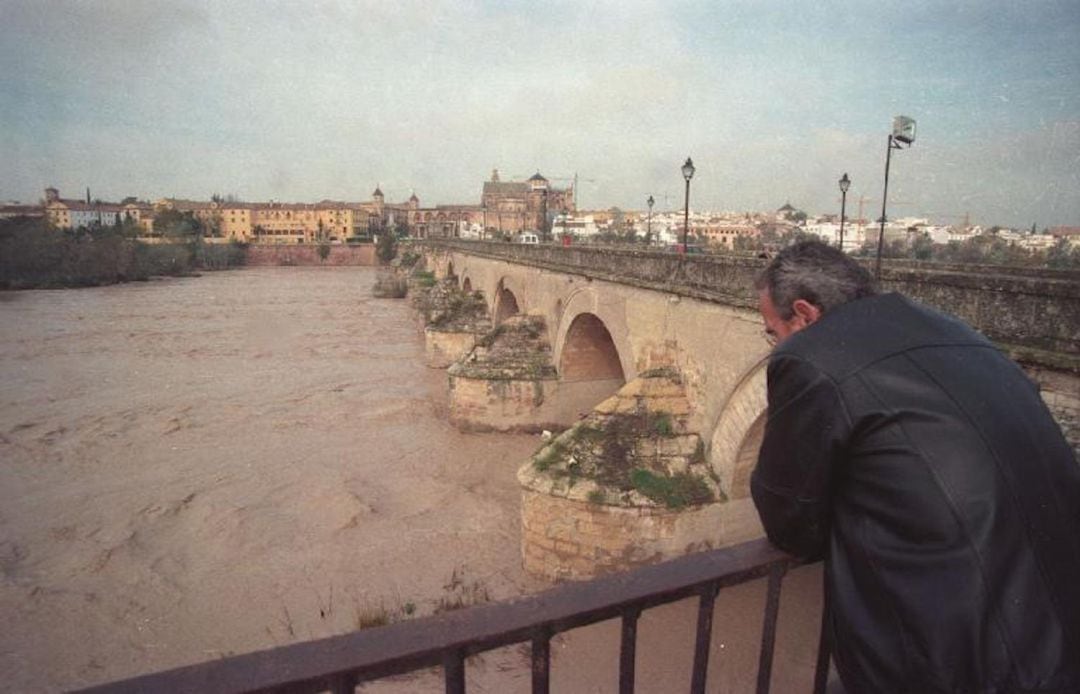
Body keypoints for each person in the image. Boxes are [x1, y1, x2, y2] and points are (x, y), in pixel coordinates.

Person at [750, 240, 1080, 693]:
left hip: (960, 659)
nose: (774, 346)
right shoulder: (959, 332)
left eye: (772, 331)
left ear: (805, 314)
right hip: (1057, 630)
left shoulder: (811, 355)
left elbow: (788, 519)